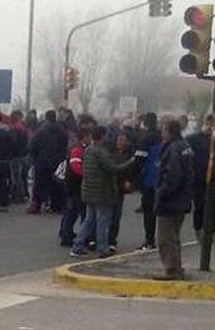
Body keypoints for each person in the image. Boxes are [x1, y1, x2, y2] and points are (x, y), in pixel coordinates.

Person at [70, 126, 135, 259]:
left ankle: (77, 245)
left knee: (89, 220)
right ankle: (102, 248)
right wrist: (130, 162)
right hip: (102, 192)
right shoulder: (101, 152)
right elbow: (113, 169)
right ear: (103, 136)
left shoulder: (88, 150)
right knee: (103, 222)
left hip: (88, 190)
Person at [153, 120, 195, 280]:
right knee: (174, 236)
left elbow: (173, 176)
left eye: (163, 129)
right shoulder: (185, 147)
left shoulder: (174, 148)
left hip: (170, 201)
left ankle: (172, 270)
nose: (161, 133)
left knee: (165, 238)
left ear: (169, 131)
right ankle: (177, 268)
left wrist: (162, 192)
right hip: (182, 199)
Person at [27, 109, 68, 214]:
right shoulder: (62, 131)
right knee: (58, 184)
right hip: (58, 161)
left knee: (39, 185)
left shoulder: (41, 131)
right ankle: (57, 206)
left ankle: (36, 206)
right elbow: (66, 145)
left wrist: (35, 157)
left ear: (46, 118)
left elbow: (32, 145)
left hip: (42, 162)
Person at [58, 124, 91, 247]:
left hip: (72, 184)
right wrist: (87, 174)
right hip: (75, 185)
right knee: (74, 211)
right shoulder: (77, 149)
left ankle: (66, 233)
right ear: (85, 137)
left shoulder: (76, 147)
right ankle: (68, 236)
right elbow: (76, 167)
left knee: (71, 211)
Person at [135, 112, 161, 250]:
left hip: (149, 181)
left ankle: (149, 240)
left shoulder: (145, 139)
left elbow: (139, 161)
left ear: (145, 122)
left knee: (148, 212)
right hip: (161, 179)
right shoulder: (162, 137)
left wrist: (133, 179)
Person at [187, 113, 213, 242]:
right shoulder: (194, 139)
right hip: (198, 178)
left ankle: (210, 230)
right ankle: (198, 230)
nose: (209, 127)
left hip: (212, 179)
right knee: (199, 206)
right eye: (208, 124)